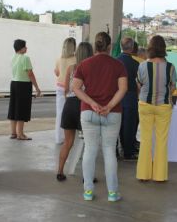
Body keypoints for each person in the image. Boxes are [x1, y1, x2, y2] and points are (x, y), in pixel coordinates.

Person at [73, 32, 128, 202]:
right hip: (112, 114)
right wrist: (109, 106)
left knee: (90, 150)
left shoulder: (84, 64)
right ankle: (112, 193)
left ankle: (88, 192)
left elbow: (75, 88)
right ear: (110, 46)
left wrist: (93, 103)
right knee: (109, 151)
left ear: (95, 46)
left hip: (89, 112)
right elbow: (123, 89)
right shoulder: (118, 65)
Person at [136, 35, 177, 182]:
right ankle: (160, 176)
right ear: (164, 49)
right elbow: (173, 88)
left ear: (150, 48)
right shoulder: (171, 67)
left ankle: (143, 174)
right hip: (163, 107)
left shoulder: (142, 66)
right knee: (161, 141)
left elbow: (139, 85)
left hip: (145, 105)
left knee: (146, 139)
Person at [57, 42, 93, 181]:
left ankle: (60, 171)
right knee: (89, 143)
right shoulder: (91, 69)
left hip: (70, 105)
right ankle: (87, 175)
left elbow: (66, 89)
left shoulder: (71, 68)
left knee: (68, 142)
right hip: (84, 105)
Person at [7, 39, 41, 140]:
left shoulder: (12, 57)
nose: (26, 48)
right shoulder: (25, 58)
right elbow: (30, 74)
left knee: (14, 108)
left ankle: (13, 133)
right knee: (22, 108)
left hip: (14, 83)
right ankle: (20, 134)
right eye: (25, 46)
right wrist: (37, 87)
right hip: (23, 85)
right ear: (21, 48)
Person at [117, 37, 139, 160]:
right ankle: (128, 152)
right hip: (131, 96)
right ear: (131, 48)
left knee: (118, 124)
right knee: (129, 125)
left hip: (117, 96)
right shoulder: (136, 64)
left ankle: (117, 149)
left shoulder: (115, 61)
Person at [54, 37, 76, 145]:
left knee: (60, 113)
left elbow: (57, 73)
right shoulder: (75, 60)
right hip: (71, 89)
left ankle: (58, 138)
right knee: (72, 114)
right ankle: (71, 137)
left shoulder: (59, 59)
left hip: (59, 87)